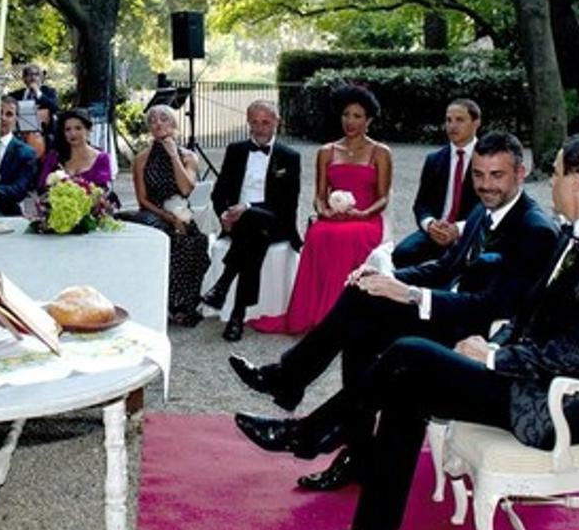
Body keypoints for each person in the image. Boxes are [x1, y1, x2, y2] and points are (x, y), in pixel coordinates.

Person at [233, 132, 579, 530]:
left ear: (576, 182)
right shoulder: (574, 238)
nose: (551, 182)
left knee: (409, 354)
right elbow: (526, 318)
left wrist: (493, 357)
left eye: (556, 173)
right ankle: (367, 518)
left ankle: (310, 432)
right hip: (527, 376)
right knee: (406, 387)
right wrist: (491, 346)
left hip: (562, 404)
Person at [228, 132, 559, 490]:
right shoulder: (483, 210)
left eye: (497, 176)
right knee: (362, 300)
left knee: (365, 316)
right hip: (449, 311)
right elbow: (445, 267)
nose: (485, 185)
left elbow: (491, 308)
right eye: (478, 175)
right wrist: (387, 277)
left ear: (520, 174)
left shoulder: (535, 230)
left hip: (475, 335)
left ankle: (303, 403)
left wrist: (411, 294)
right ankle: (335, 434)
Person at [251, 85, 392, 335]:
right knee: (318, 233)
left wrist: (364, 213)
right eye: (346, 115)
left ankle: (343, 316)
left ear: (369, 120)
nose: (350, 121)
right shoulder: (326, 151)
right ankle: (315, 313)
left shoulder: (380, 152)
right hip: (333, 217)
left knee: (348, 237)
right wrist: (324, 211)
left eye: (357, 116)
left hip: (366, 219)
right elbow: (319, 195)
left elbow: (383, 198)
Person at [201, 100, 302, 341]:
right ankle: (237, 313)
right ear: (248, 122)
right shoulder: (236, 150)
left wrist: (246, 209)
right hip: (241, 225)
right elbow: (219, 193)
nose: (259, 128)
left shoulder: (289, 156)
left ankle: (223, 285)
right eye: (254, 122)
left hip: (275, 220)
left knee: (252, 223)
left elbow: (287, 206)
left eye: (266, 122)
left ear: (277, 122)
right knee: (252, 235)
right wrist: (225, 215)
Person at [128, 104, 210, 325]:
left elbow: (186, 189)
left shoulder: (189, 156)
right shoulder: (142, 159)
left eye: (163, 118)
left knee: (195, 243)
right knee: (168, 238)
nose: (157, 123)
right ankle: (166, 303)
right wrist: (168, 217)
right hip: (154, 215)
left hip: (181, 212)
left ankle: (184, 304)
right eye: (152, 120)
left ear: (174, 123)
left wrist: (174, 155)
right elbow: (142, 199)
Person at [391, 99, 481, 268]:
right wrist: (430, 224)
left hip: (471, 231)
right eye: (448, 120)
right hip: (436, 231)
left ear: (476, 122)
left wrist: (459, 229)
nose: (452, 126)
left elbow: (490, 207)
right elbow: (421, 204)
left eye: (459, 120)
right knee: (401, 254)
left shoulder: (487, 158)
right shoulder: (435, 159)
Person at [35, 107, 113, 191]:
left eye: (78, 128)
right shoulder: (54, 157)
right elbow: (42, 188)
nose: (73, 133)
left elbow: (102, 191)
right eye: (68, 129)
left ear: (88, 130)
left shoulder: (101, 158)